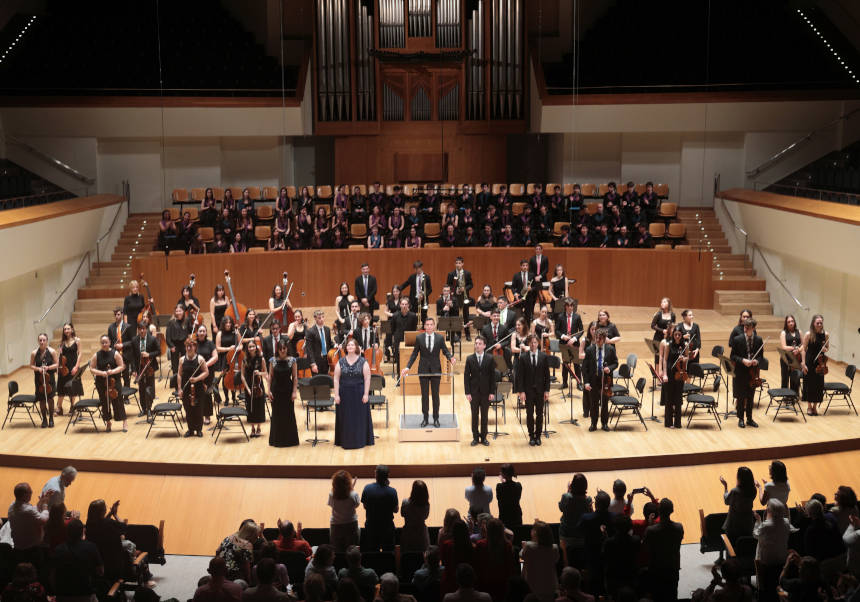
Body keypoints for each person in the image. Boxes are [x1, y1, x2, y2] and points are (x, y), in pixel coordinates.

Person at [402, 317, 456, 428]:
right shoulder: (419, 338)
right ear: (424, 326)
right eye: (427, 324)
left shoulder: (440, 338)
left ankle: (436, 418)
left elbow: (445, 351)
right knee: (425, 396)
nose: (429, 326)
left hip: (436, 370)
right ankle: (425, 418)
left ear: (434, 326)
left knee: (436, 396)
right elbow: (414, 354)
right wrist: (408, 367)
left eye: (431, 324)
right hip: (423, 370)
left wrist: (451, 358)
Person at [51, 519, 105, 602]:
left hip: (62, 596)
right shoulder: (91, 547)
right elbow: (101, 572)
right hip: (85, 595)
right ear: (83, 532)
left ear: (67, 532)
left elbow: (52, 576)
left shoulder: (58, 549)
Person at [333, 339, 373, 449]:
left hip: (359, 394)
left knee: (358, 418)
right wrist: (336, 395)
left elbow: (367, 379)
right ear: (346, 348)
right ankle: (346, 441)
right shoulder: (340, 361)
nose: (350, 346)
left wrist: (366, 394)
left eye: (352, 345)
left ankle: (360, 441)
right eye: (348, 345)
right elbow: (336, 379)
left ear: (356, 347)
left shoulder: (363, 361)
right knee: (346, 418)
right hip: (344, 394)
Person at [754, 499, 796, 602]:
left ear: (770, 511)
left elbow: (755, 534)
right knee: (776, 583)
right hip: (782, 559)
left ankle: (762, 594)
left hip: (766, 562)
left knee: (765, 585)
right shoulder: (786, 522)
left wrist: (758, 520)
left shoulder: (766, 525)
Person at [644, 498, 683, 602]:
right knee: (672, 595)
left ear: (658, 511)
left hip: (656, 569)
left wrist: (651, 525)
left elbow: (646, 546)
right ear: (672, 511)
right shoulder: (679, 527)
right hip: (672, 567)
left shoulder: (650, 530)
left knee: (656, 596)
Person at [85, 499, 132, 584]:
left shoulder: (88, 525)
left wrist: (110, 514)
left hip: (98, 564)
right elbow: (124, 527)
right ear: (103, 511)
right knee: (129, 545)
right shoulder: (108, 523)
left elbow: (102, 523)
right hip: (114, 565)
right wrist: (115, 514)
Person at [515, 334, 551, 445]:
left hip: (540, 391)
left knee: (540, 414)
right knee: (529, 414)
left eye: (535, 342)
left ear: (538, 343)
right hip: (528, 391)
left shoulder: (543, 356)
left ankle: (538, 435)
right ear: (528, 343)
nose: (533, 344)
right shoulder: (523, 357)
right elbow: (519, 376)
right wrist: (521, 391)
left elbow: (547, 376)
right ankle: (531, 436)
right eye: (531, 342)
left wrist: (546, 390)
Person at [582, 329, 618, 432]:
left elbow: (616, 363)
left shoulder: (610, 349)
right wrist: (586, 382)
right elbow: (585, 368)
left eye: (600, 338)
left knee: (605, 403)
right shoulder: (589, 350)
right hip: (593, 380)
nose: (597, 340)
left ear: (604, 339)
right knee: (593, 403)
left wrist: (609, 368)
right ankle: (593, 423)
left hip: (606, 380)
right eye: (596, 338)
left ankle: (604, 423)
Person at [579, 490, 615, 595]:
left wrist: (591, 513)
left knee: (593, 585)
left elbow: (579, 530)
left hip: (592, 556)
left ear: (597, 504)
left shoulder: (586, 518)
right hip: (609, 557)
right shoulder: (615, 517)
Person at [89, 334, 127, 432]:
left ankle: (124, 422)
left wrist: (112, 371)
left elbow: (122, 366)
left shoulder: (115, 354)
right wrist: (101, 373)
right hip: (101, 382)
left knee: (118, 401)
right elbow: (92, 368)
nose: (104, 344)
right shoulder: (97, 355)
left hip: (114, 381)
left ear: (110, 343)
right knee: (104, 402)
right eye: (102, 343)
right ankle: (108, 423)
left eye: (106, 342)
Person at [730, 318, 763, 428]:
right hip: (740, 371)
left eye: (747, 328)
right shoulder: (737, 339)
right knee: (740, 396)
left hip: (753, 372)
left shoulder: (758, 340)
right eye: (744, 327)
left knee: (750, 396)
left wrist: (756, 361)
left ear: (753, 328)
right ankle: (740, 418)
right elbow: (733, 356)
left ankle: (749, 418)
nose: (745, 329)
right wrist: (743, 360)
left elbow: (761, 357)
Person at [473, 518, 516, 601]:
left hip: (484, 583)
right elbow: (510, 567)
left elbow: (476, 565)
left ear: (487, 530)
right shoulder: (507, 545)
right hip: (502, 584)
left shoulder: (480, 544)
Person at [464, 336, 496, 446]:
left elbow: (492, 377)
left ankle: (484, 437)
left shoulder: (490, 358)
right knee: (474, 416)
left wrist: (492, 392)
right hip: (474, 392)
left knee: (484, 416)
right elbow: (466, 377)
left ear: (484, 346)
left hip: (486, 392)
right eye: (476, 343)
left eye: (479, 343)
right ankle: (475, 437)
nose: (477, 345)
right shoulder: (469, 359)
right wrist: (467, 392)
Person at [266, 341, 299, 448]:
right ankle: (277, 440)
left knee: (288, 415)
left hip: (288, 391)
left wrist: (294, 391)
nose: (283, 351)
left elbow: (294, 377)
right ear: (278, 350)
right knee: (276, 415)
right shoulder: (273, 360)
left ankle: (290, 441)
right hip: (276, 390)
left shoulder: (292, 360)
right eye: (280, 349)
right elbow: (270, 376)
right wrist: (268, 390)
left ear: (287, 348)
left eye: (284, 348)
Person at [361, 466, 398, 551]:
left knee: (372, 553)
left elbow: (365, 506)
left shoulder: (367, 488)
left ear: (375, 475)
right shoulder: (392, 491)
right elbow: (396, 510)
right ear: (387, 476)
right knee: (389, 554)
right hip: (387, 528)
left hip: (371, 527)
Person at [602, 514, 640, 598]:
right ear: (630, 527)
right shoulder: (636, 540)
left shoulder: (608, 542)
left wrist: (605, 537)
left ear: (614, 527)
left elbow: (605, 556)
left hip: (614, 578)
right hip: (630, 577)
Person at [521, 521, 559, 602]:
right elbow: (555, 560)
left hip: (532, 589)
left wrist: (524, 547)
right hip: (551, 588)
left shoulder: (528, 547)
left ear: (535, 533)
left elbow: (522, 557)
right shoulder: (555, 548)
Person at [178, 337, 208, 437]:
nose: (189, 348)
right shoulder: (182, 360)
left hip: (198, 387)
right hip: (186, 388)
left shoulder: (200, 359)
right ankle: (190, 429)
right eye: (187, 346)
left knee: (198, 409)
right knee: (188, 409)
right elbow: (179, 375)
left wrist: (197, 379)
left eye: (191, 346)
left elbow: (206, 372)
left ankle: (199, 429)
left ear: (195, 347)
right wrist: (179, 388)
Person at [7, 483, 51, 553]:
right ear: (24, 495)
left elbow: (32, 512)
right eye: (30, 492)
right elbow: (44, 520)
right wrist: (45, 505)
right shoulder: (27, 510)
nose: (32, 493)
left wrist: (40, 502)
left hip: (18, 548)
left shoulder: (12, 505)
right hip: (31, 550)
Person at [130, 321, 160, 419]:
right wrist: (133, 370)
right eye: (140, 329)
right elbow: (133, 357)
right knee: (142, 389)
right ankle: (143, 409)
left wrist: (149, 355)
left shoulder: (152, 339)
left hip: (150, 367)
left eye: (143, 328)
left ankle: (149, 409)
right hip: (139, 368)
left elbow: (159, 351)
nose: (142, 331)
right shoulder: (134, 340)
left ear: (146, 329)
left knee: (149, 389)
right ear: (138, 330)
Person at [801, 314, 828, 416]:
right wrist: (803, 363)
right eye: (818, 323)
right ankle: (809, 406)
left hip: (820, 362)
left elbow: (827, 347)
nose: (819, 324)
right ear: (813, 323)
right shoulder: (808, 334)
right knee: (808, 383)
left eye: (821, 323)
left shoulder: (826, 334)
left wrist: (826, 349)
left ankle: (815, 407)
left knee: (818, 384)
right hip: (809, 361)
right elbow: (803, 349)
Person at [29, 333, 58, 428]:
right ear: (38, 341)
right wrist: (38, 369)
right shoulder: (34, 353)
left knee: (50, 398)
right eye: (40, 340)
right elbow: (31, 365)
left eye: (44, 340)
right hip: (39, 379)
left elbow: (57, 364)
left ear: (47, 340)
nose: (42, 342)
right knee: (41, 399)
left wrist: (48, 367)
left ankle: (51, 419)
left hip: (50, 378)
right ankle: (44, 419)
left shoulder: (52, 351)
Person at [660, 327, 687, 429]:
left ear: (681, 335)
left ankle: (677, 423)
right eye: (675, 334)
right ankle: (669, 423)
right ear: (673, 335)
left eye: (679, 335)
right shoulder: (668, 345)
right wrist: (665, 374)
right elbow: (665, 360)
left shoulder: (684, 346)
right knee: (669, 399)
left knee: (678, 399)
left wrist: (684, 359)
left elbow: (687, 358)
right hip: (670, 373)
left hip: (680, 374)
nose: (677, 336)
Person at [55, 323, 83, 418]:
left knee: (72, 388)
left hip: (73, 366)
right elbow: (59, 355)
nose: (66, 331)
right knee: (61, 387)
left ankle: (72, 406)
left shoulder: (77, 340)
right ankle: (59, 408)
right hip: (63, 367)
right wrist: (58, 367)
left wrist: (76, 366)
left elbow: (80, 354)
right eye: (65, 329)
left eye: (68, 329)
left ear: (72, 329)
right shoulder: (62, 342)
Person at [329, 471, 360, 553]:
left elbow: (332, 505)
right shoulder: (353, 494)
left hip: (335, 525)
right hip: (351, 524)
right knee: (352, 550)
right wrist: (351, 490)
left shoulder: (331, 494)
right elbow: (356, 505)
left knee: (337, 551)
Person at [555, 298, 584, 390]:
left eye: (571, 306)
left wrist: (575, 338)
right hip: (564, 344)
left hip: (574, 344)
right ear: (565, 307)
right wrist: (563, 336)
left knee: (576, 364)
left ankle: (579, 383)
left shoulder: (577, 317)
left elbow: (582, 330)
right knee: (565, 364)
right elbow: (557, 330)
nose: (570, 308)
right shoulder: (560, 317)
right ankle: (564, 383)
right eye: (568, 306)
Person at [440, 521, 474, 596]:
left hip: (449, 583)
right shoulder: (472, 547)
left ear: (453, 531)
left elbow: (443, 562)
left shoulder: (447, 545)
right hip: (468, 583)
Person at [242, 341, 267, 438]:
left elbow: (266, 373)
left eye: (253, 346)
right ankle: (252, 428)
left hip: (259, 386)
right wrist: (247, 389)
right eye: (249, 347)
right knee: (250, 407)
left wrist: (259, 373)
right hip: (249, 386)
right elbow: (242, 376)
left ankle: (259, 427)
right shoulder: (245, 360)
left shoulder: (261, 359)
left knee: (259, 406)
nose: (251, 348)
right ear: (247, 349)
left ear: (256, 348)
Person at [447, 257, 474, 341]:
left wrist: (464, 288)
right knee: (457, 316)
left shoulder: (467, 273)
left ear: (462, 264)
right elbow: (449, 285)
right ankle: (458, 334)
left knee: (466, 315)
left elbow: (471, 285)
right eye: (457, 263)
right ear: (455, 264)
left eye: (459, 263)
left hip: (465, 297)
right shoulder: (451, 274)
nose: (458, 264)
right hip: (455, 297)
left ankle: (467, 334)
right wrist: (455, 290)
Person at [401, 480, 431, 553]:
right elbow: (426, 517)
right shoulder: (426, 505)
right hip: (421, 535)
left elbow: (402, 514)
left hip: (408, 534)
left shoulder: (405, 502)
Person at [107, 308, 133, 388]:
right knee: (116, 377)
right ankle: (118, 395)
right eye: (115, 315)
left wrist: (123, 345)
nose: (116, 316)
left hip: (125, 355)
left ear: (121, 315)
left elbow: (132, 341)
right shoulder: (111, 327)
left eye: (118, 314)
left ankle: (126, 397)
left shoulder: (128, 327)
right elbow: (109, 341)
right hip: (115, 355)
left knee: (126, 377)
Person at [306, 310, 335, 375]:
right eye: (319, 318)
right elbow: (309, 349)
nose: (321, 319)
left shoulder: (327, 329)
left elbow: (329, 343)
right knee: (317, 382)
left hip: (326, 359)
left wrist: (335, 345)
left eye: (323, 317)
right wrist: (313, 364)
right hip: (316, 361)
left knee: (325, 380)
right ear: (315, 318)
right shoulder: (311, 331)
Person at [650, 298, 676, 364]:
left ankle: (665, 373)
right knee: (658, 358)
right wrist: (662, 330)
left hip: (667, 338)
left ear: (669, 304)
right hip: (658, 338)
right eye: (661, 302)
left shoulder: (672, 315)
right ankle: (657, 373)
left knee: (667, 357)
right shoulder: (658, 314)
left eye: (664, 302)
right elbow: (652, 326)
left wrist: (671, 331)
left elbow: (673, 325)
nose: (662, 303)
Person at [780, 315, 803, 389]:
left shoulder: (799, 331)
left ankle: (794, 394)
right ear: (786, 324)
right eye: (789, 322)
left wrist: (798, 350)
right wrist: (794, 348)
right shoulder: (783, 333)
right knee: (785, 377)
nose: (791, 323)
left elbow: (803, 344)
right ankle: (785, 394)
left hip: (797, 357)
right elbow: (784, 347)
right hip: (786, 358)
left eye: (792, 321)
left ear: (794, 322)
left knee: (795, 376)